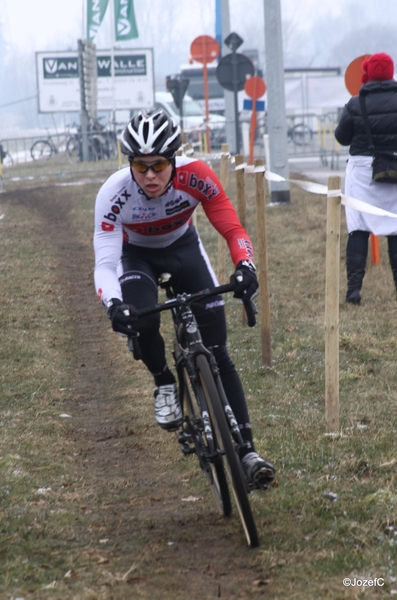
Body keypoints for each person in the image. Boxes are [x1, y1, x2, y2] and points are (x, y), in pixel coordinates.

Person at [93, 109, 275, 490]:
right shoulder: (113, 194)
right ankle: (163, 382)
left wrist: (246, 265)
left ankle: (247, 452)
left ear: (174, 159)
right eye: (140, 167)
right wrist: (114, 303)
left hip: (183, 248)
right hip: (135, 257)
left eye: (159, 165)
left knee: (218, 352)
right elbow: (106, 263)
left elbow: (231, 225)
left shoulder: (196, 176)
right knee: (141, 321)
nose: (150, 176)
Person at [335, 52, 397, 304]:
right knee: (395, 229)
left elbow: (342, 137)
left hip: (362, 171)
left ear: (368, 74)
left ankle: (353, 290)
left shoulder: (355, 103)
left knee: (358, 229)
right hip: (394, 167)